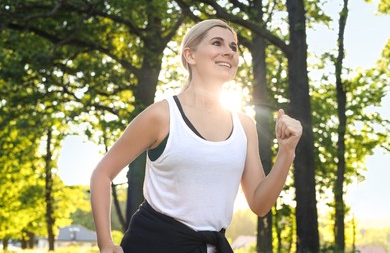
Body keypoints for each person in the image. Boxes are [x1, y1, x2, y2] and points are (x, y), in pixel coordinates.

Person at [90, 19, 302, 253]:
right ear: (190, 55)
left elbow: (260, 204)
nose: (228, 52)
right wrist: (106, 244)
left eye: (233, 47)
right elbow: (103, 173)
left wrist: (286, 151)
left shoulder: (245, 125)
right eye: (217, 43)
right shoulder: (162, 115)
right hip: (152, 245)